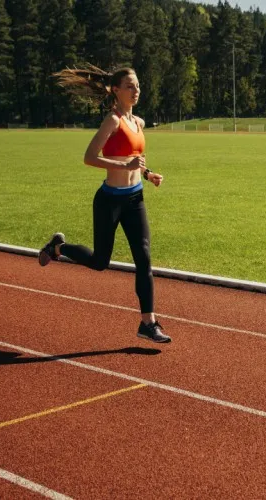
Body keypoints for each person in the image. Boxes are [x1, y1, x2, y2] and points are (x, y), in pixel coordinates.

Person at [40, 65, 170, 343]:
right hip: (110, 200)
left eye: (138, 86)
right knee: (100, 262)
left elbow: (136, 158)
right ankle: (57, 247)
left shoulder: (139, 122)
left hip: (135, 198)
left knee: (144, 258)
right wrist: (125, 166)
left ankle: (148, 323)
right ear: (116, 90)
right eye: (130, 86)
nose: (136, 91)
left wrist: (147, 174)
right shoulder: (112, 121)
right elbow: (89, 157)